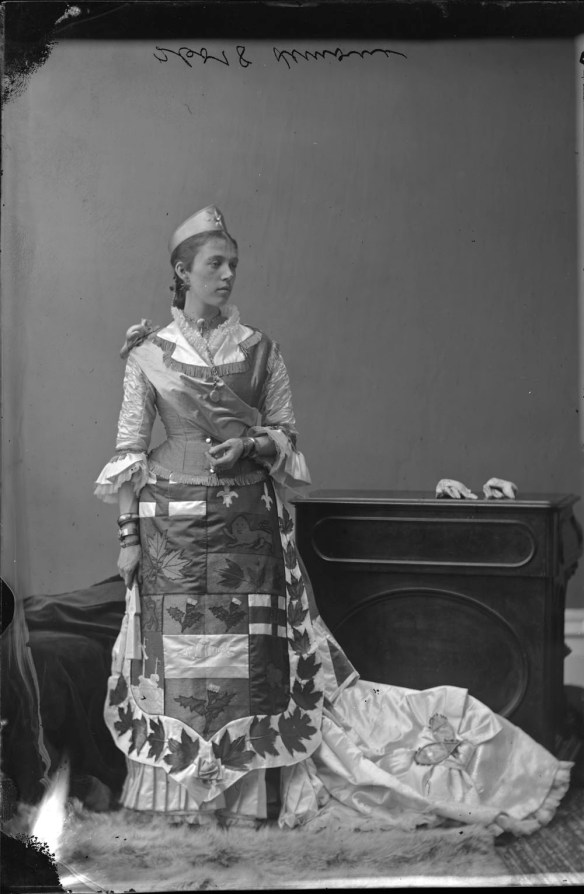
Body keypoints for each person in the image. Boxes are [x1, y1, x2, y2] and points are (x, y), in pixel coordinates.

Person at [95, 205, 571, 833]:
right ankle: (175, 800)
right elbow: (129, 449)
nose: (228, 274)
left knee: (254, 660)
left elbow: (286, 437)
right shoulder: (148, 354)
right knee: (175, 660)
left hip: (249, 528)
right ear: (182, 272)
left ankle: (254, 800)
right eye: (215, 264)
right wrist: (128, 538)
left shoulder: (261, 349)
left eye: (234, 264)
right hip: (170, 531)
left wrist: (251, 445)